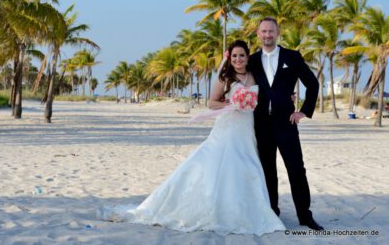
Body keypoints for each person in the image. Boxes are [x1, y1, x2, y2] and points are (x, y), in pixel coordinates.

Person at [97, 40, 286, 236]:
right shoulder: (225, 78)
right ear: (230, 58)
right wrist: (232, 103)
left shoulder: (254, 77)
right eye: (235, 55)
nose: (238, 59)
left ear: (248, 57)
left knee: (248, 166)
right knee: (220, 165)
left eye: (242, 55)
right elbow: (212, 103)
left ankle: (247, 209)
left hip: (246, 129)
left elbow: (265, 98)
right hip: (228, 128)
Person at [248, 17, 323, 230]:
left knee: (296, 169)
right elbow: (237, 77)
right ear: (258, 34)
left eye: (271, 31)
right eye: (263, 31)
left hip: (286, 123)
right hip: (261, 124)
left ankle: (305, 215)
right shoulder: (252, 60)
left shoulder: (292, 56)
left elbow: (313, 84)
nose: (267, 35)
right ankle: (272, 212)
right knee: (267, 170)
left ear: (278, 32)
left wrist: (304, 111)